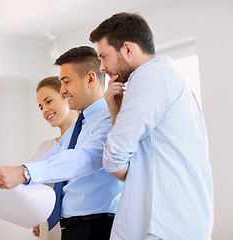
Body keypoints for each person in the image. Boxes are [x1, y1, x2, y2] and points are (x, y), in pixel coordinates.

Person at [89, 12, 214, 240]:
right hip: (177, 222)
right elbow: (129, 162)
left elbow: (114, 160)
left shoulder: (148, 77)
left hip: (164, 225)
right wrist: (115, 109)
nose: (102, 67)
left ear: (127, 49)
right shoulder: (167, 76)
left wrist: (117, 160)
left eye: (104, 56)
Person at [0, 46, 123, 240]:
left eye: (66, 82)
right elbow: (51, 161)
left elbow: (85, 158)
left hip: (98, 226)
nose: (63, 90)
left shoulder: (111, 118)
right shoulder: (77, 129)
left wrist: (24, 173)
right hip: (72, 228)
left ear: (90, 79)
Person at [32, 76, 79, 239]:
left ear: (67, 96)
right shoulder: (42, 149)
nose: (44, 110)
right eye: (40, 107)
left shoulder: (88, 141)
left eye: (48, 101)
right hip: (49, 231)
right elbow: (36, 192)